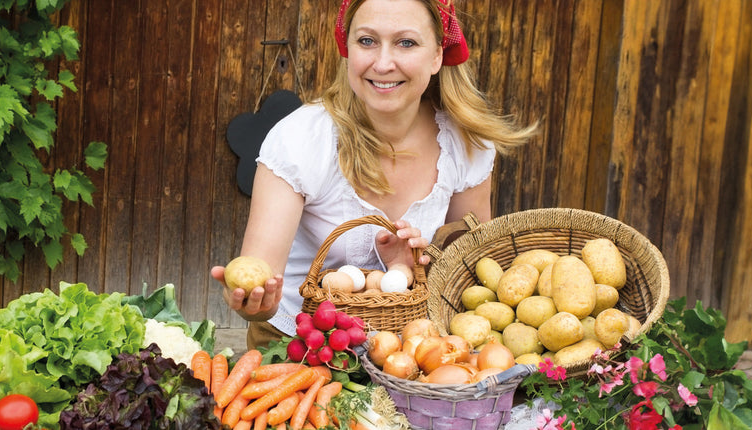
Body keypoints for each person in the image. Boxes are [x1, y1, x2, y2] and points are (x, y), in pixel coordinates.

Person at [211, 0, 537, 350]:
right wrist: (255, 302)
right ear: (347, 49)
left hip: (413, 349)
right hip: (300, 347)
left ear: (437, 56)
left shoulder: (467, 143)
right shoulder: (300, 140)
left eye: (406, 43)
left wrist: (415, 266)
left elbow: (469, 274)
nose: (382, 63)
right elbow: (260, 281)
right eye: (367, 41)